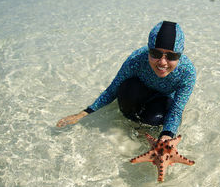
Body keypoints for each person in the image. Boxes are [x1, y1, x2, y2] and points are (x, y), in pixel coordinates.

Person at [56, 21, 196, 141]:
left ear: (180, 54)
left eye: (171, 56)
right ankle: (130, 125)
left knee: (155, 120)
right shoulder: (136, 60)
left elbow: (177, 110)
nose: (163, 63)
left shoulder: (187, 73)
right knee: (126, 88)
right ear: (148, 49)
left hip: (162, 101)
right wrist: (83, 114)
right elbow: (113, 89)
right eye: (155, 54)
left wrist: (166, 136)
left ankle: (145, 134)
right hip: (139, 92)